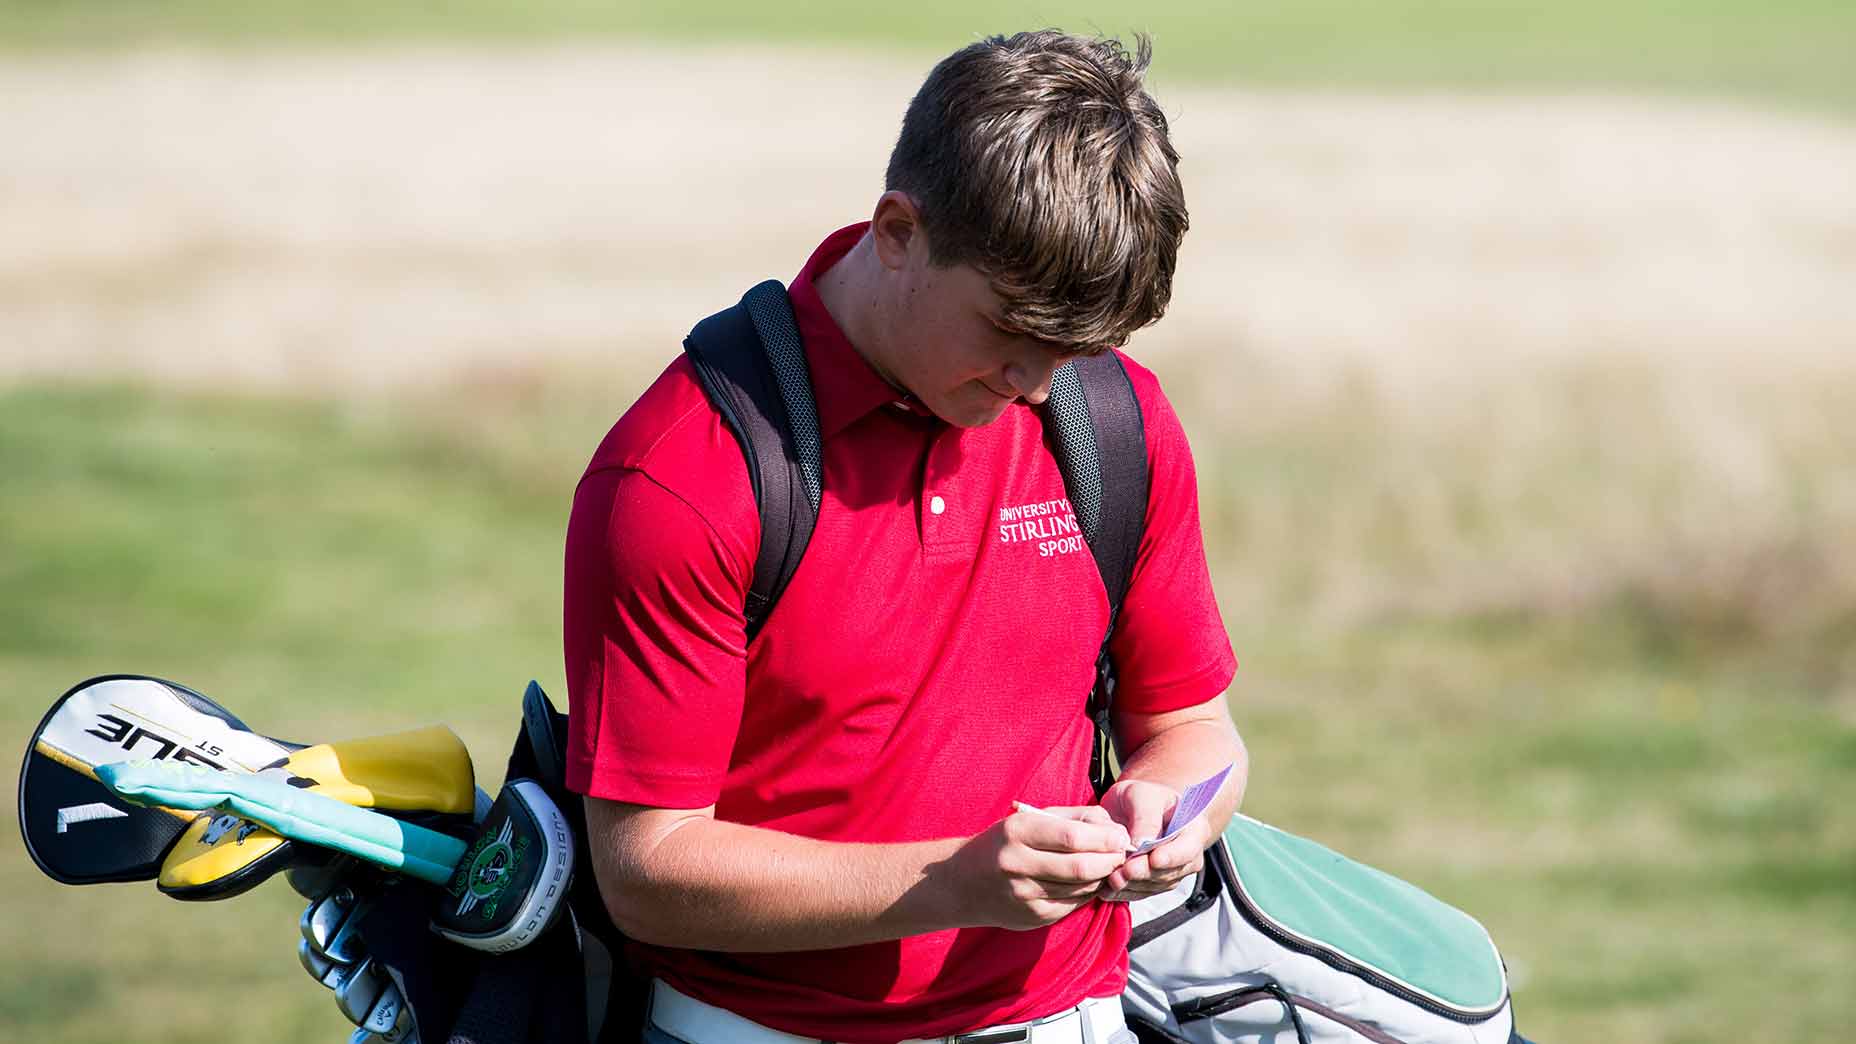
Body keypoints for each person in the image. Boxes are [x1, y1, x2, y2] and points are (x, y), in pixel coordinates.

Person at [562, 30, 1247, 1044]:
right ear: (895, 230)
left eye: (1076, 347)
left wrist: (1168, 812)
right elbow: (646, 875)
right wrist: (951, 884)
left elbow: (1196, 727)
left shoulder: (1117, 422)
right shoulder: (680, 475)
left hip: (1072, 1020)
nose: (1037, 384)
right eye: (1009, 332)